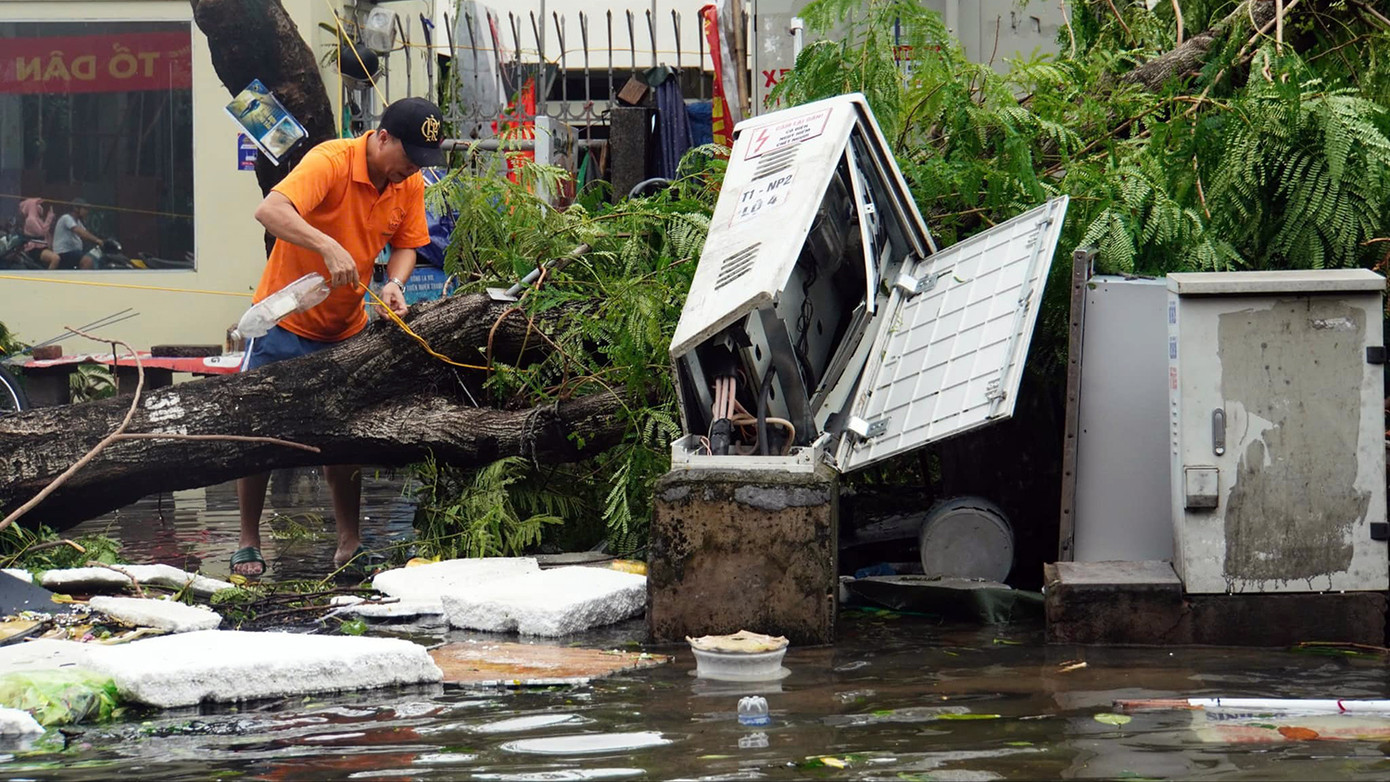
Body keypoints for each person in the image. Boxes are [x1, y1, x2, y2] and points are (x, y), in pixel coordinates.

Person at [231, 97, 444, 577]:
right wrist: (327, 245)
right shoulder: (330, 160)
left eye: (420, 162)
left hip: (346, 328)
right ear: (382, 137)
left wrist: (395, 282)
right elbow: (270, 210)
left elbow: (410, 244)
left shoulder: (405, 180)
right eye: (408, 157)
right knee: (257, 432)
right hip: (283, 322)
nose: (412, 170)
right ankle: (247, 540)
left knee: (344, 440)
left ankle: (349, 542)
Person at [49, 198, 104, 270]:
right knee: (87, 261)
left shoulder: (78, 222)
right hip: (64, 252)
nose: (87, 211)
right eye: (85, 209)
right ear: (76, 208)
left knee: (92, 256)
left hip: (74, 253)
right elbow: (79, 232)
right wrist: (97, 240)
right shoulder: (67, 218)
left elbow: (85, 234)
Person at [16, 197, 56, 265]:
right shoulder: (31, 220)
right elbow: (42, 233)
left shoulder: (38, 219)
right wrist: (49, 218)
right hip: (35, 249)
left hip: (42, 247)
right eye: (37, 205)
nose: (40, 207)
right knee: (55, 259)